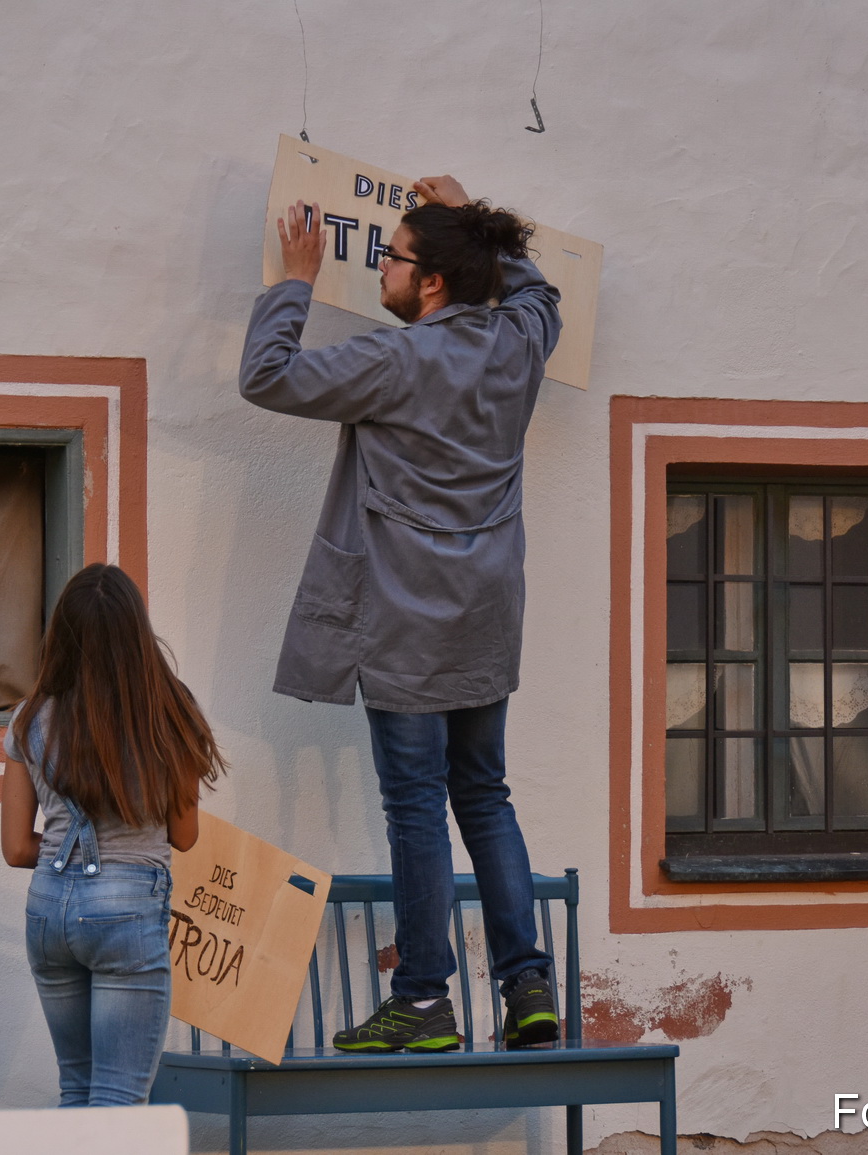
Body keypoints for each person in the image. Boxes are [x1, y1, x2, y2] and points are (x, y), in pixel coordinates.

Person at [239, 174, 562, 1053]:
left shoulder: (395, 359)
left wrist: (294, 283)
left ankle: (423, 1001)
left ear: (431, 284)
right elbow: (542, 294)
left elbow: (265, 376)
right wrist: (474, 216)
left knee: (417, 804)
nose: (379, 267)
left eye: (394, 255)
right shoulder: (516, 347)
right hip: (487, 616)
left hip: (405, 621)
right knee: (485, 795)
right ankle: (528, 986)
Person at [0, 563, 226, 1105]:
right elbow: (186, 835)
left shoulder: (31, 717)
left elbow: (15, 848)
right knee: (119, 1102)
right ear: (136, 634)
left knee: (76, 1091)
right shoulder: (168, 714)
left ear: (62, 635)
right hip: (127, 913)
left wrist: (74, 861)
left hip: (48, 913)